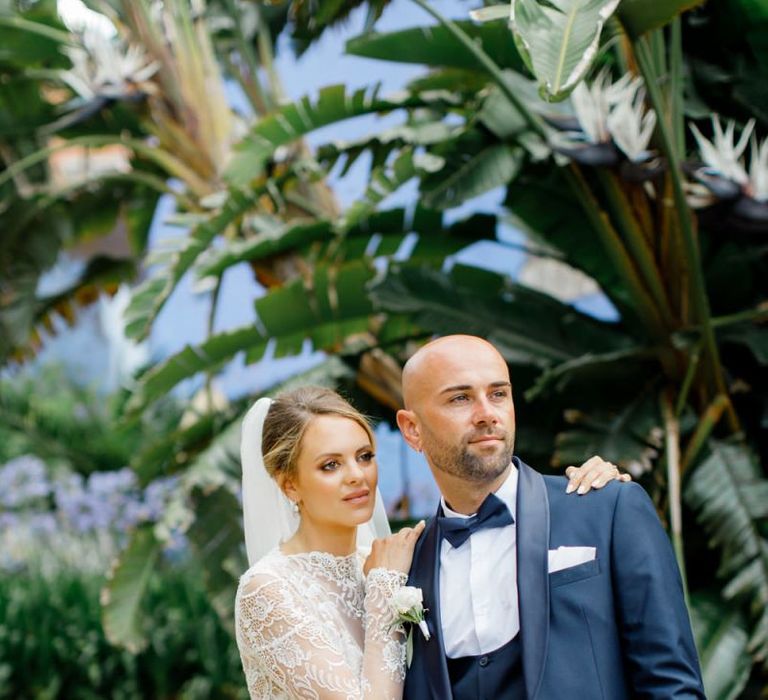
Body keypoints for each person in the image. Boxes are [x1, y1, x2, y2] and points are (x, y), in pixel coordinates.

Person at [234, 386, 627, 699]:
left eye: (365, 456)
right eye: (330, 465)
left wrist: (592, 488)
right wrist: (385, 590)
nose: (357, 476)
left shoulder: (401, 555)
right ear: (289, 484)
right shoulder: (267, 589)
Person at [396, 335, 705, 700]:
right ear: (412, 430)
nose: (486, 414)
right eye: (460, 398)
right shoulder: (408, 562)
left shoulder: (607, 508)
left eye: (498, 394)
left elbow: (672, 685)